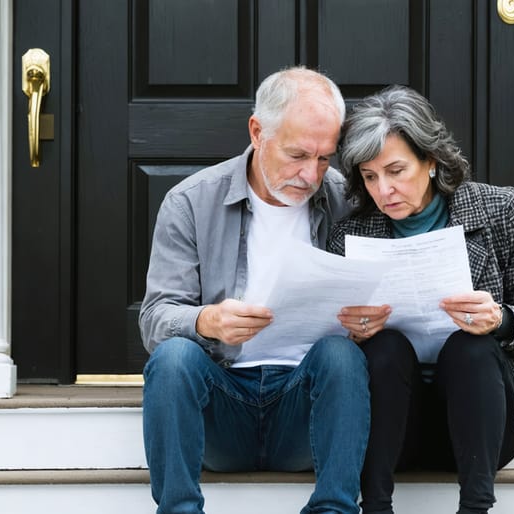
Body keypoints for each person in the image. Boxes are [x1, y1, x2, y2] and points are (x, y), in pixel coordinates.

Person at [139, 67, 378, 514]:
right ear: (257, 131)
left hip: (306, 409)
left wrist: (369, 323)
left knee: (342, 356)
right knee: (172, 358)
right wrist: (207, 321)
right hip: (222, 405)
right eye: (298, 155)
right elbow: (154, 319)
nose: (311, 175)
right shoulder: (191, 201)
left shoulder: (349, 198)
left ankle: (334, 509)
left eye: (325, 158)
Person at [327, 85, 514, 514]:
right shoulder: (352, 234)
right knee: (385, 345)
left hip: (481, 419)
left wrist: (501, 320)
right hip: (397, 424)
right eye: (371, 177)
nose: (384, 189)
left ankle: (475, 508)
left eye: (396, 171)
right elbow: (328, 340)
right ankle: (375, 506)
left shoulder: (499, 209)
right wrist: (350, 333)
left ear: (431, 161)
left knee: (471, 346)